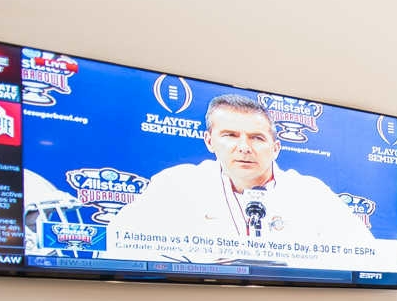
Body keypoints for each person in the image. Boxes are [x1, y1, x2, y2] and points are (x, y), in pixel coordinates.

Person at [108, 93, 379, 267]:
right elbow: (121, 244)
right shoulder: (176, 184)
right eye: (230, 135)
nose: (244, 148)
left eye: (257, 138)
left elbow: (365, 256)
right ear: (209, 141)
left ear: (275, 148)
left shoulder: (311, 193)